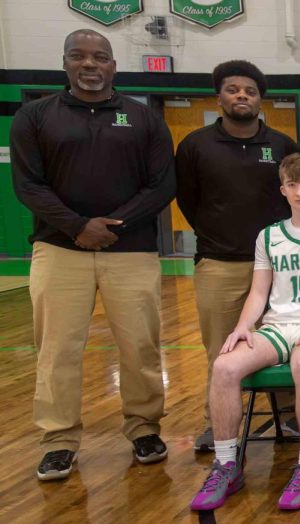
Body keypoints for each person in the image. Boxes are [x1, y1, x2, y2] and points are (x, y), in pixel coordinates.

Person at [12, 29, 176, 481]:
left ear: (112, 66)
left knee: (140, 345)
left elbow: (162, 185)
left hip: (132, 252)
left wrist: (113, 226)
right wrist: (77, 226)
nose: (89, 65)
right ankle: (58, 440)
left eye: (99, 57)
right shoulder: (35, 116)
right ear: (64, 63)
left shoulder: (142, 119)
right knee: (57, 349)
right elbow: (28, 185)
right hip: (59, 250)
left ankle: (144, 429)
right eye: (78, 57)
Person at [188, 154, 300, 511]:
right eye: (292, 185)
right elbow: (259, 293)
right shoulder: (269, 236)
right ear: (282, 189)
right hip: (278, 325)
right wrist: (242, 327)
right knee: (224, 367)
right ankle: (227, 464)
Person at [176, 59, 300, 452]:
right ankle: (220, 424)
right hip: (220, 263)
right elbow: (188, 200)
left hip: (280, 265)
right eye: (233, 89)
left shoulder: (281, 146)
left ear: (260, 99)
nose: (241, 96)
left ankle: (293, 416)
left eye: (249, 90)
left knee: (283, 344)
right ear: (220, 97)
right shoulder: (195, 145)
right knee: (222, 348)